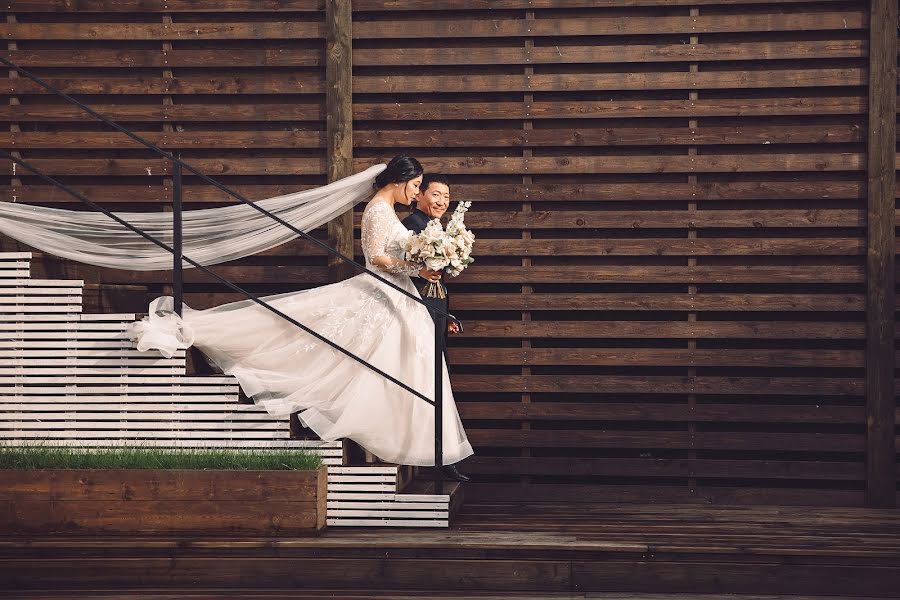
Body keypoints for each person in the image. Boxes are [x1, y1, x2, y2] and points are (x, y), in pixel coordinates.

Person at [129, 155, 474, 475]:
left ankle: (411, 444)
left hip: (398, 296)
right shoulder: (377, 211)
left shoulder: (388, 211)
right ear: (402, 180)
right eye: (416, 187)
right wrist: (416, 265)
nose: (416, 195)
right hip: (384, 290)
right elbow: (376, 259)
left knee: (395, 365)